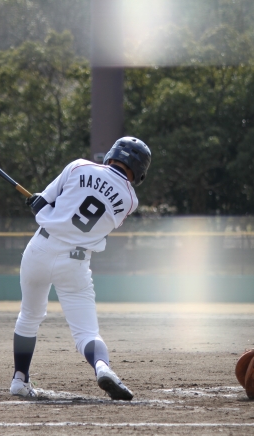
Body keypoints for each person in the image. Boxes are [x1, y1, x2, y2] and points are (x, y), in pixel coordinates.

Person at [10, 137, 151, 400]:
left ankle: (19, 380)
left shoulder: (78, 166)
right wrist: (46, 207)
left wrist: (39, 203)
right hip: (74, 262)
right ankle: (102, 367)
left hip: (40, 249)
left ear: (111, 155)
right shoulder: (130, 201)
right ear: (139, 171)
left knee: (29, 316)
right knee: (86, 332)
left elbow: (47, 201)